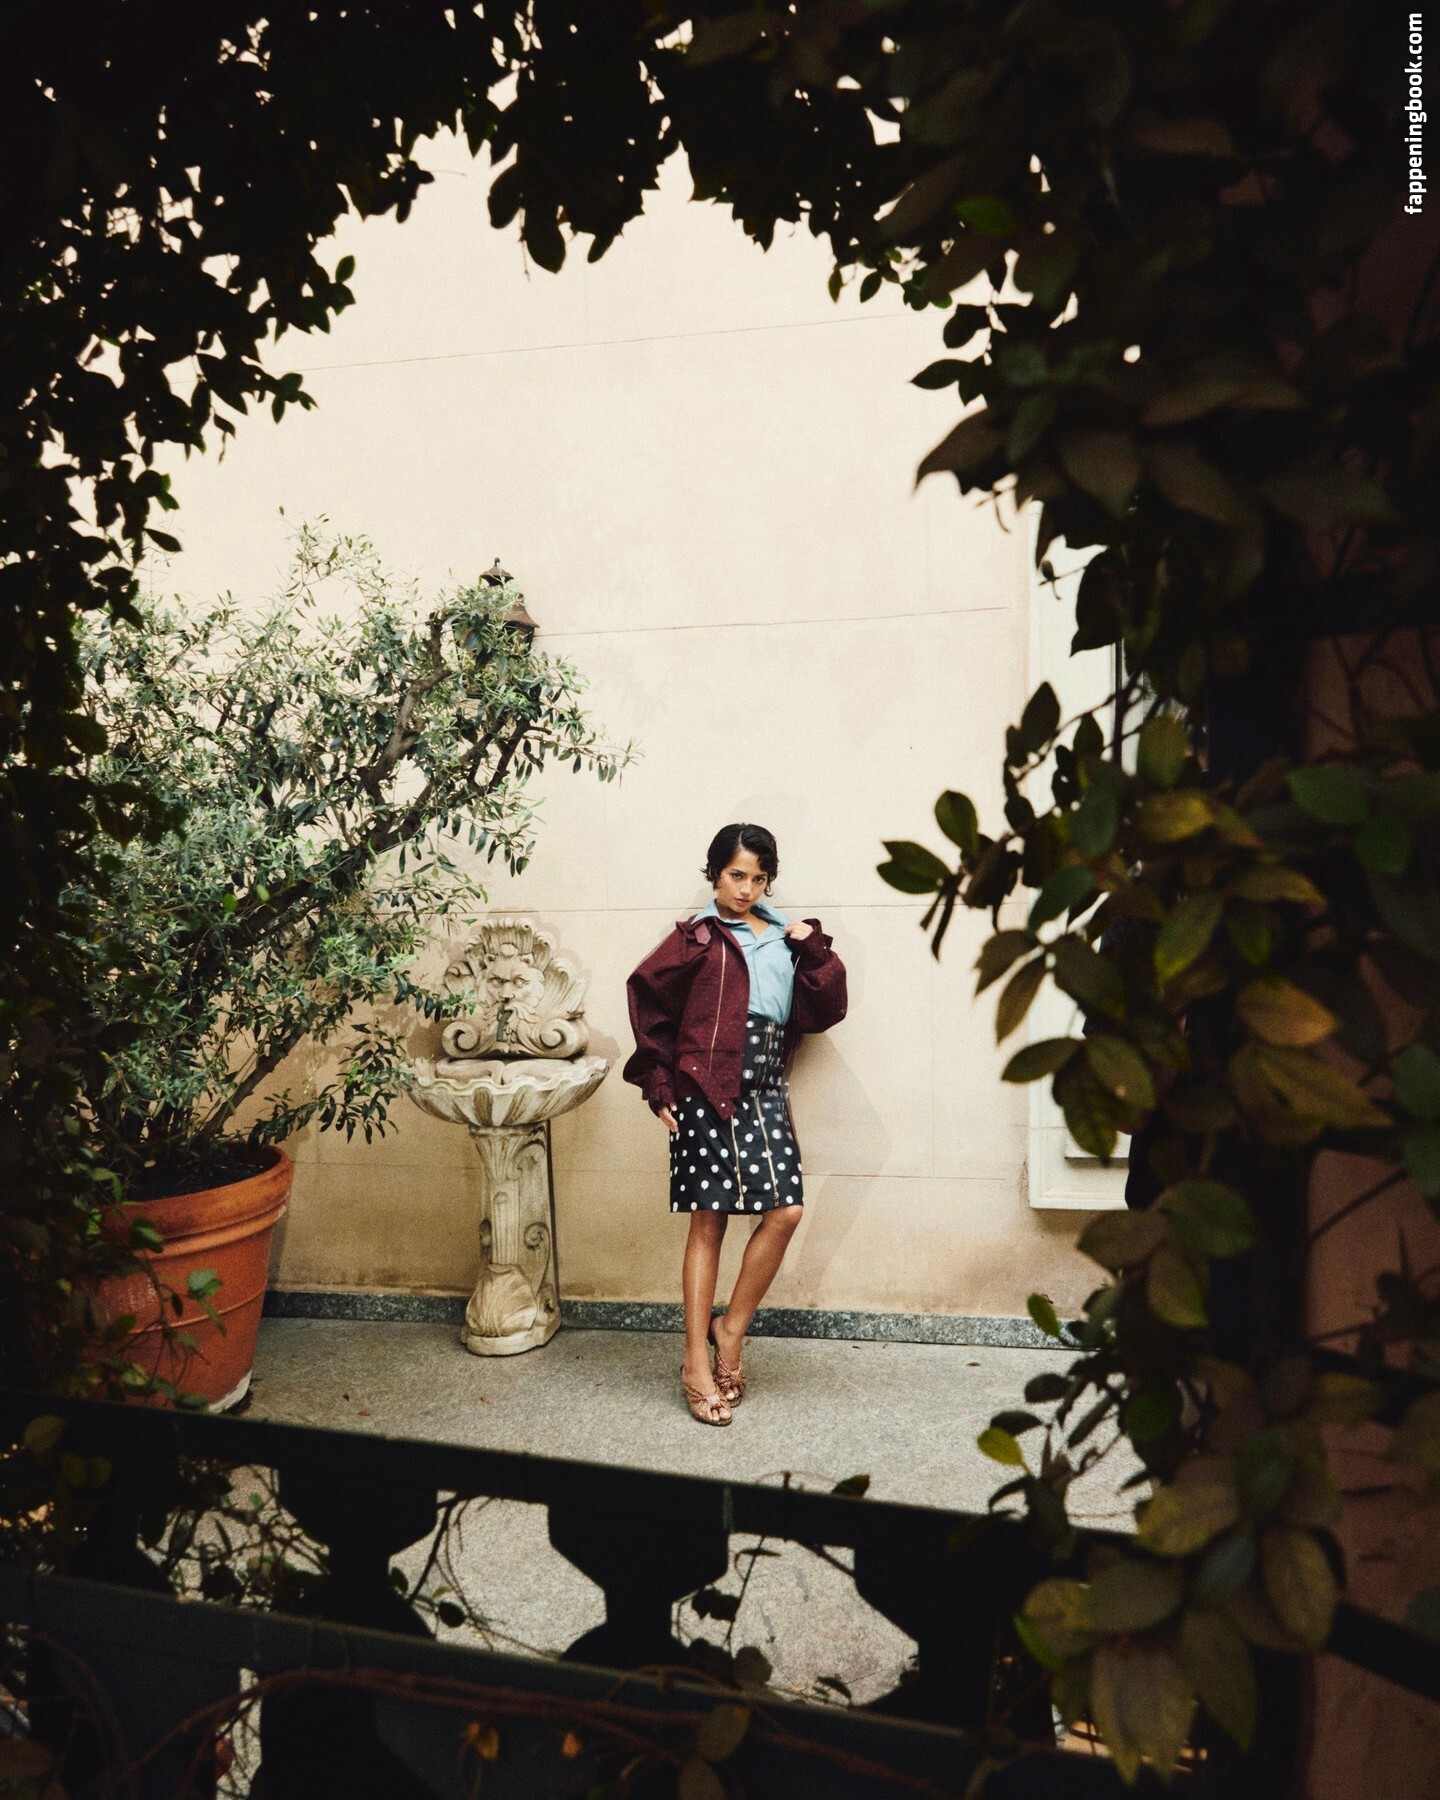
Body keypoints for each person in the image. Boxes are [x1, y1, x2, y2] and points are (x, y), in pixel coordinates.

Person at [624, 824, 848, 1425]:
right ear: (715, 874)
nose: (746, 889)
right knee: (709, 1222)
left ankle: (730, 1329)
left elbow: (826, 1011)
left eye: (758, 878)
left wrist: (815, 952)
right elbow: (649, 1006)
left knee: (785, 1210)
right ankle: (695, 1362)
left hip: (766, 1084)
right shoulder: (695, 939)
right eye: (736, 876)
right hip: (703, 1085)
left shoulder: (787, 937)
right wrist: (658, 1084)